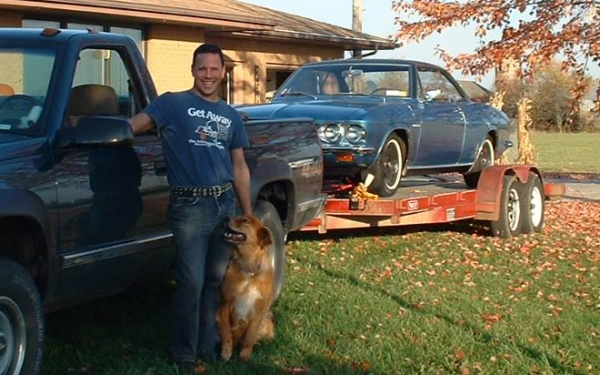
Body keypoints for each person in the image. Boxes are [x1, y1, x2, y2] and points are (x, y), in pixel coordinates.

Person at [129, 43, 252, 372]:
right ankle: (183, 354)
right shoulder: (171, 104)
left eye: (214, 69)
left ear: (224, 72)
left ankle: (206, 345)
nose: (208, 75)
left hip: (224, 204)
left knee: (213, 280)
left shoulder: (230, 116)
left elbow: (239, 166)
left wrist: (247, 212)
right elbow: (133, 126)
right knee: (191, 282)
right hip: (189, 205)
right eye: (202, 68)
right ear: (193, 70)